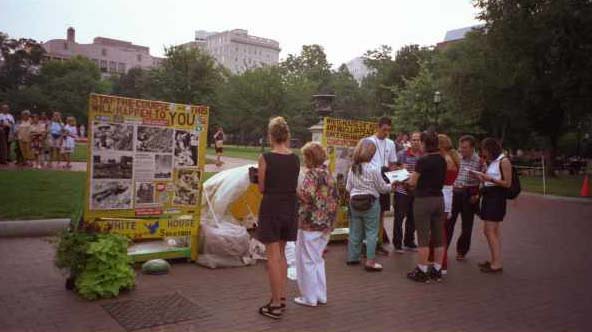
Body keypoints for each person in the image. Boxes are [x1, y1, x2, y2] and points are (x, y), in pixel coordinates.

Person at [256, 117, 300, 319]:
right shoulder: (295, 158)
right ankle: (281, 297)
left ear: (271, 136)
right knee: (281, 254)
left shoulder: (265, 158)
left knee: (272, 256)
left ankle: (274, 305)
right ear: (287, 136)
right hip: (290, 206)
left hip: (272, 206)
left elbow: (262, 188)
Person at [294, 142, 338, 307]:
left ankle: (309, 297)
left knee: (307, 260)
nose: (304, 160)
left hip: (311, 222)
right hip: (326, 223)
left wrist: (294, 189)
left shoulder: (312, 175)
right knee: (318, 259)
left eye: (305, 156)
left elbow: (307, 197)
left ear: (310, 157)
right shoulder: (328, 174)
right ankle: (321, 295)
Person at [403, 130, 446, 283]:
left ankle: (422, 270)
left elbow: (412, 182)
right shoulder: (442, 159)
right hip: (439, 199)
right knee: (439, 237)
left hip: (423, 200)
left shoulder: (423, 160)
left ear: (424, 143)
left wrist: (403, 181)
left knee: (423, 237)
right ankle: (437, 269)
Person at [346, 139, 394, 272]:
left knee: (355, 231)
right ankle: (370, 261)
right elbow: (382, 188)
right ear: (371, 153)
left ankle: (353, 258)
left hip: (354, 202)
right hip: (371, 203)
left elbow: (348, 187)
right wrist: (392, 185)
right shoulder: (374, 169)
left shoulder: (353, 168)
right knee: (371, 233)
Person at [475, 137, 512, 273]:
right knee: (492, 231)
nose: (484, 153)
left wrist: (489, 178)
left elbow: (507, 183)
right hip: (489, 195)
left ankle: (496, 263)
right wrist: (482, 177)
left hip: (497, 198)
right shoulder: (492, 162)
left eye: (485, 150)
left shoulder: (504, 161)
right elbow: (491, 179)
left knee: (490, 230)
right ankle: (494, 259)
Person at [446, 135, 484, 262]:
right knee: (448, 223)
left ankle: (462, 251)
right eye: (460, 147)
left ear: (472, 148)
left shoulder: (479, 161)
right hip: (454, 192)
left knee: (467, 226)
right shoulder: (456, 157)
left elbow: (485, 180)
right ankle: (443, 249)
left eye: (465, 147)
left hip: (469, 194)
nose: (461, 150)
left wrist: (478, 195)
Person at [429, 134, 460, 273]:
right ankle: (434, 259)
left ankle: (442, 263)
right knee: (439, 230)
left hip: (441, 195)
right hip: (448, 194)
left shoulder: (444, 160)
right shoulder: (453, 158)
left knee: (439, 232)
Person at [367, 117, 397, 254]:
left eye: (389, 130)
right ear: (377, 127)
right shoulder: (368, 141)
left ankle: (378, 242)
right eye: (384, 129)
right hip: (371, 179)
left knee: (381, 213)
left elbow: (392, 164)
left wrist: (394, 178)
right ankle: (368, 243)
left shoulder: (390, 143)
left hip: (384, 177)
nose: (386, 133)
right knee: (369, 212)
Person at [393, 131, 422, 253]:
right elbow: (393, 170)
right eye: (413, 139)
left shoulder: (423, 156)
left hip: (416, 191)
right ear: (410, 141)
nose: (415, 142)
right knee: (399, 217)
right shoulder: (401, 154)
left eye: (418, 140)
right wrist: (400, 169)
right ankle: (398, 244)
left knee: (413, 217)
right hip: (402, 190)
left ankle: (409, 242)